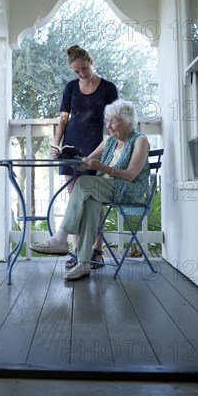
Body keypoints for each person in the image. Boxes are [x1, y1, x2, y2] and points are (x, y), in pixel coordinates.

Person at [32, 100, 150, 281]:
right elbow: (87, 162)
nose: (108, 126)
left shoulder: (140, 140)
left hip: (129, 188)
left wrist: (102, 168)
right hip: (106, 187)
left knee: (85, 183)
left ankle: (61, 238)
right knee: (90, 201)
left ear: (127, 121)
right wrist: (70, 158)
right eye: (107, 120)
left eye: (113, 121)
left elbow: (131, 175)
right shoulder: (110, 141)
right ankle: (84, 264)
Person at [51, 45, 118, 269]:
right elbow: (63, 118)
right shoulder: (70, 88)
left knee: (93, 202)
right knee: (74, 201)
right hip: (71, 147)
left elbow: (113, 126)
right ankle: (78, 253)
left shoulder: (108, 88)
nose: (82, 74)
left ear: (90, 60)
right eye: (77, 71)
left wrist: (104, 151)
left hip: (95, 148)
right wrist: (56, 144)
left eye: (84, 68)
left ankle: (97, 252)